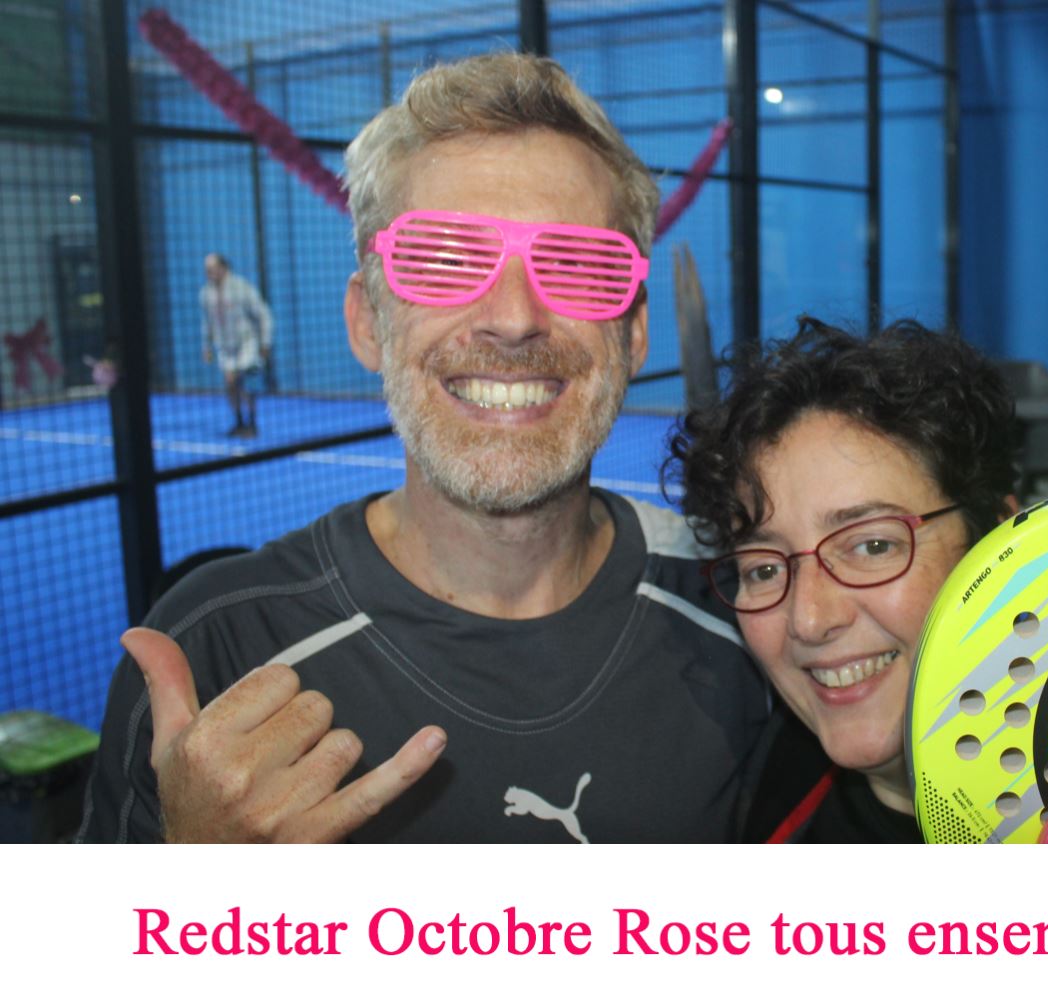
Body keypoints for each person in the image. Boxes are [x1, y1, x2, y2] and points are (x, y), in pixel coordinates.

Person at [79, 52, 767, 843]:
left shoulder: (750, 612)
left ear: (634, 333)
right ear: (367, 322)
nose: (514, 317)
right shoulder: (213, 659)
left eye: (575, 265)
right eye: (446, 261)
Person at [667, 317, 1019, 841]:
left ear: (1002, 543)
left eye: (872, 546)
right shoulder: (757, 803)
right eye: (764, 569)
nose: (809, 619)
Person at [200, 253, 273, 437]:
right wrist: (206, 346)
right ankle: (239, 421)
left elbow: (263, 313)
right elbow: (207, 322)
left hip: (246, 343)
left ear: (224, 267)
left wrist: (265, 342)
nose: (209, 273)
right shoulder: (206, 294)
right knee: (230, 384)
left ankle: (252, 423)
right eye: (207, 270)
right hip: (225, 347)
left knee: (245, 382)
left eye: (212, 268)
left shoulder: (241, 287)